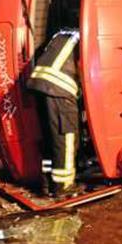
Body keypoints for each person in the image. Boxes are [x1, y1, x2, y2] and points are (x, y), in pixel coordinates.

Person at [26, 29, 81, 197]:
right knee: (66, 137)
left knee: (50, 138)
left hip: (40, 83)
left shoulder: (63, 34)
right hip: (60, 86)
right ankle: (63, 187)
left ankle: (46, 183)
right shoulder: (88, 35)